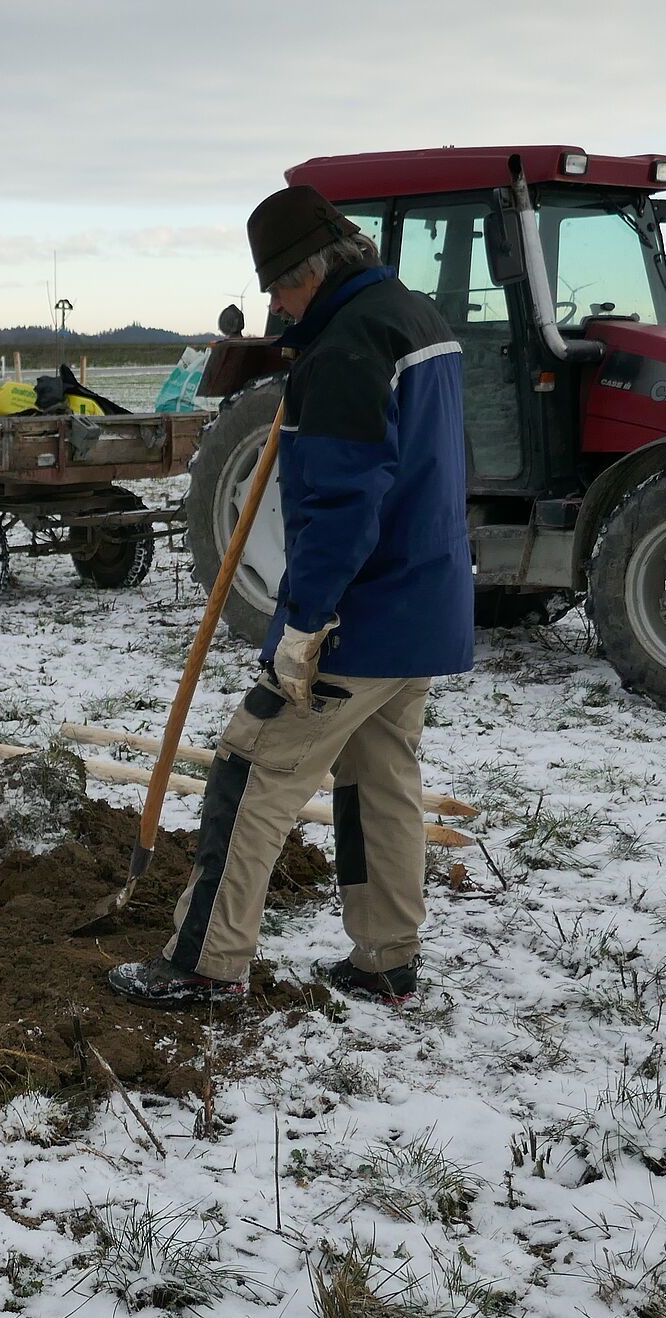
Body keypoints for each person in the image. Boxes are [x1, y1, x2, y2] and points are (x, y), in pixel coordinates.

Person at [108, 185, 473, 1010]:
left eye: (277, 286)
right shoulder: (415, 320)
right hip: (423, 605)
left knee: (250, 768)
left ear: (312, 272)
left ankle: (206, 963)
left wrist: (303, 625)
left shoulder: (347, 349)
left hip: (358, 618)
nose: (272, 303)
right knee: (381, 777)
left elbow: (341, 508)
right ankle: (388, 955)